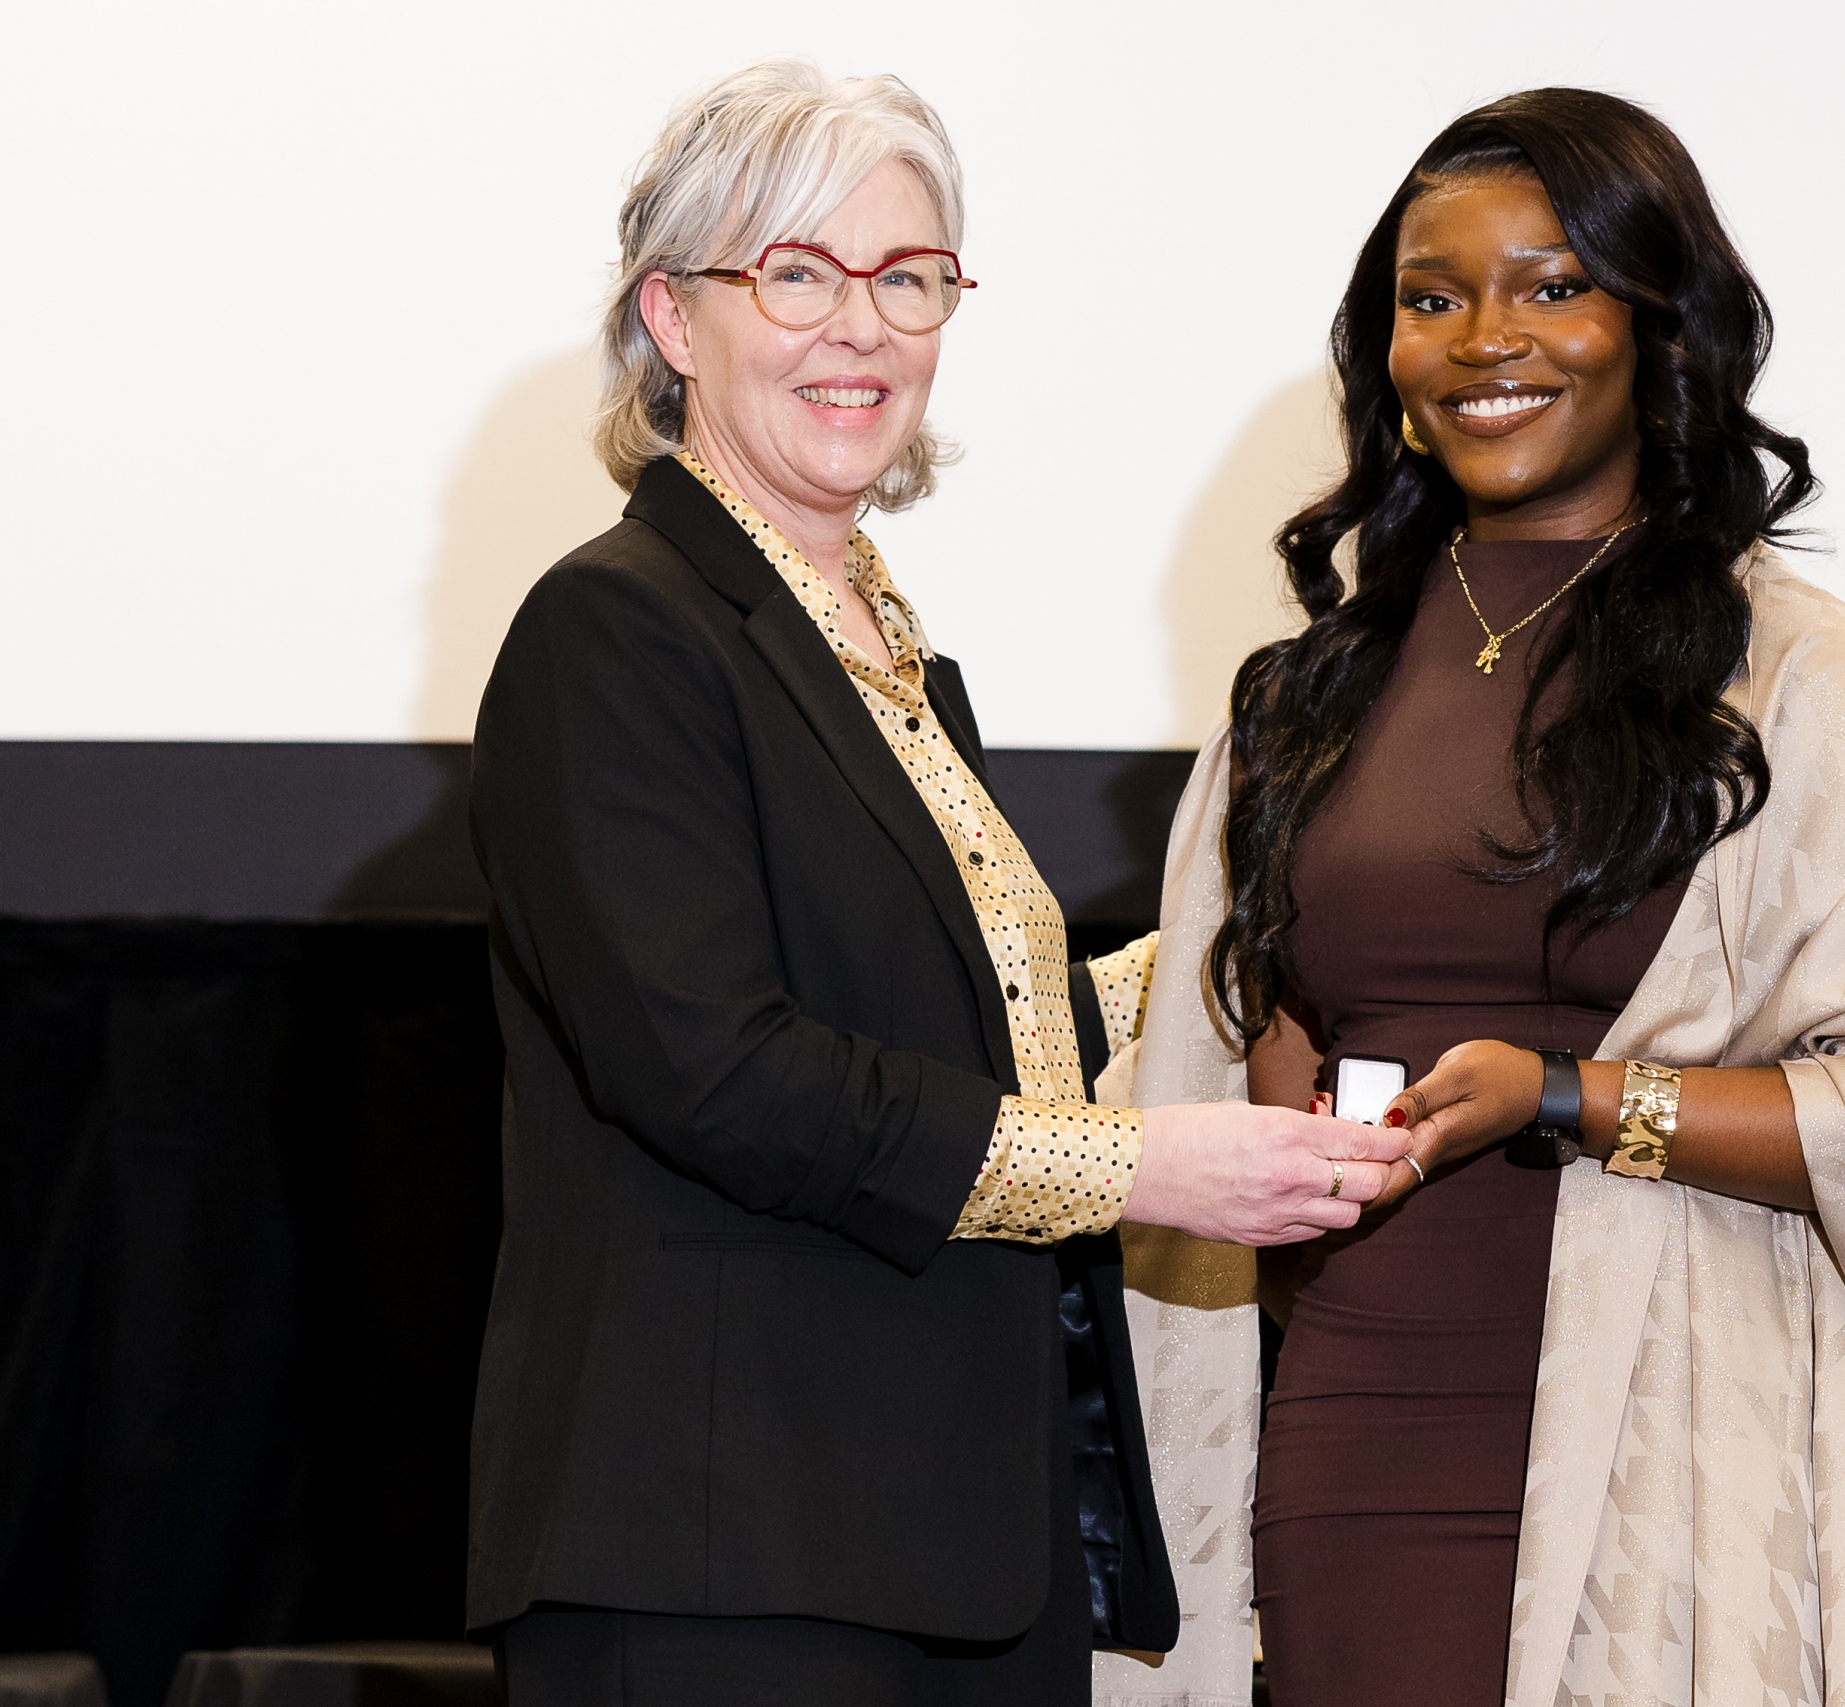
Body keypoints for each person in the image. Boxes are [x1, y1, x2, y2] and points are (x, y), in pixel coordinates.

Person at [463, 59, 1405, 1707]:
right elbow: (725, 1074)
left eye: (908, 277)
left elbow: (974, 1032)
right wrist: (1140, 1167)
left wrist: (1240, 954)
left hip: (947, 1545)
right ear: (673, 318)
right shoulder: (616, 628)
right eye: (797, 273)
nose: (863, 327)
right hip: (726, 1559)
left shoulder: (887, 658)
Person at [1098, 89, 1845, 1707]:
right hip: (1360, 1429)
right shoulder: (1306, 695)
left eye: (1553, 285)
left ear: (1658, 329)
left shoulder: (1794, 675)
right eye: (1432, 297)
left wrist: (1572, 1096)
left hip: (1670, 1439)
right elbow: (1249, 1045)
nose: (1486, 339)